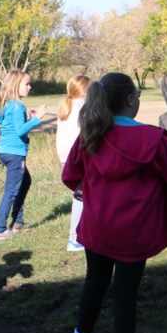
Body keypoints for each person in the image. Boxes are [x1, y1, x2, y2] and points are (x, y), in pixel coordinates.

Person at [61, 72, 167, 333]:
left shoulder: (90, 135)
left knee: (95, 282)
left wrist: (89, 189)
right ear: (131, 99)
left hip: (96, 230)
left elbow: (70, 175)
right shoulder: (151, 139)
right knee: (124, 294)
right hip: (133, 234)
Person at [0, 69, 47, 241]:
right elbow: (20, 131)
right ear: (16, 86)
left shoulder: (9, 104)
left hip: (4, 151)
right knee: (12, 189)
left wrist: (26, 117)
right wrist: (37, 119)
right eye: (26, 84)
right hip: (15, 153)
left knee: (25, 181)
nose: (30, 87)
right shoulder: (17, 106)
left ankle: (17, 221)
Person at [56, 74, 90, 252]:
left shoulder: (65, 107)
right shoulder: (82, 108)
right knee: (81, 196)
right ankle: (75, 238)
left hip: (66, 157)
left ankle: (82, 233)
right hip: (77, 158)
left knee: (82, 194)